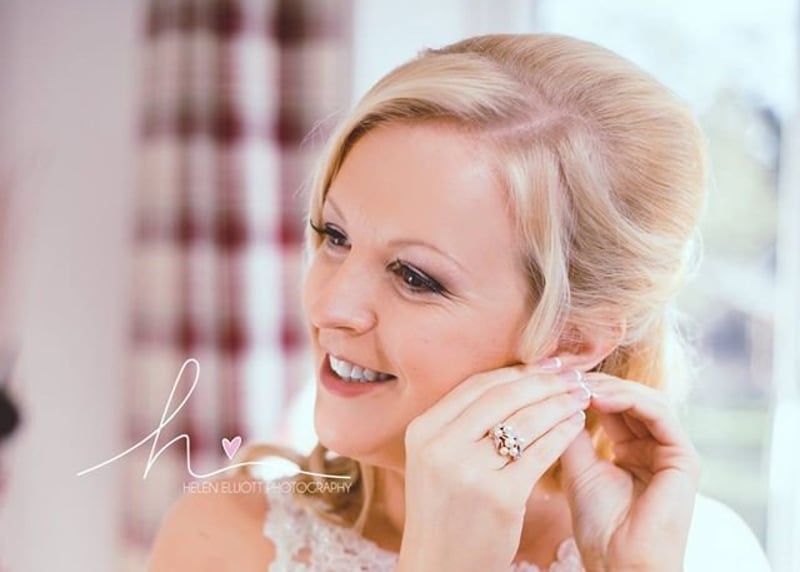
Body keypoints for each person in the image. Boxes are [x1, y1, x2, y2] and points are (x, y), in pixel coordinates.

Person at [148, 33, 771, 571]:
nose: (331, 306)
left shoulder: (694, 552)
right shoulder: (229, 538)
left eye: (414, 277)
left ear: (572, 340)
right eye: (334, 236)